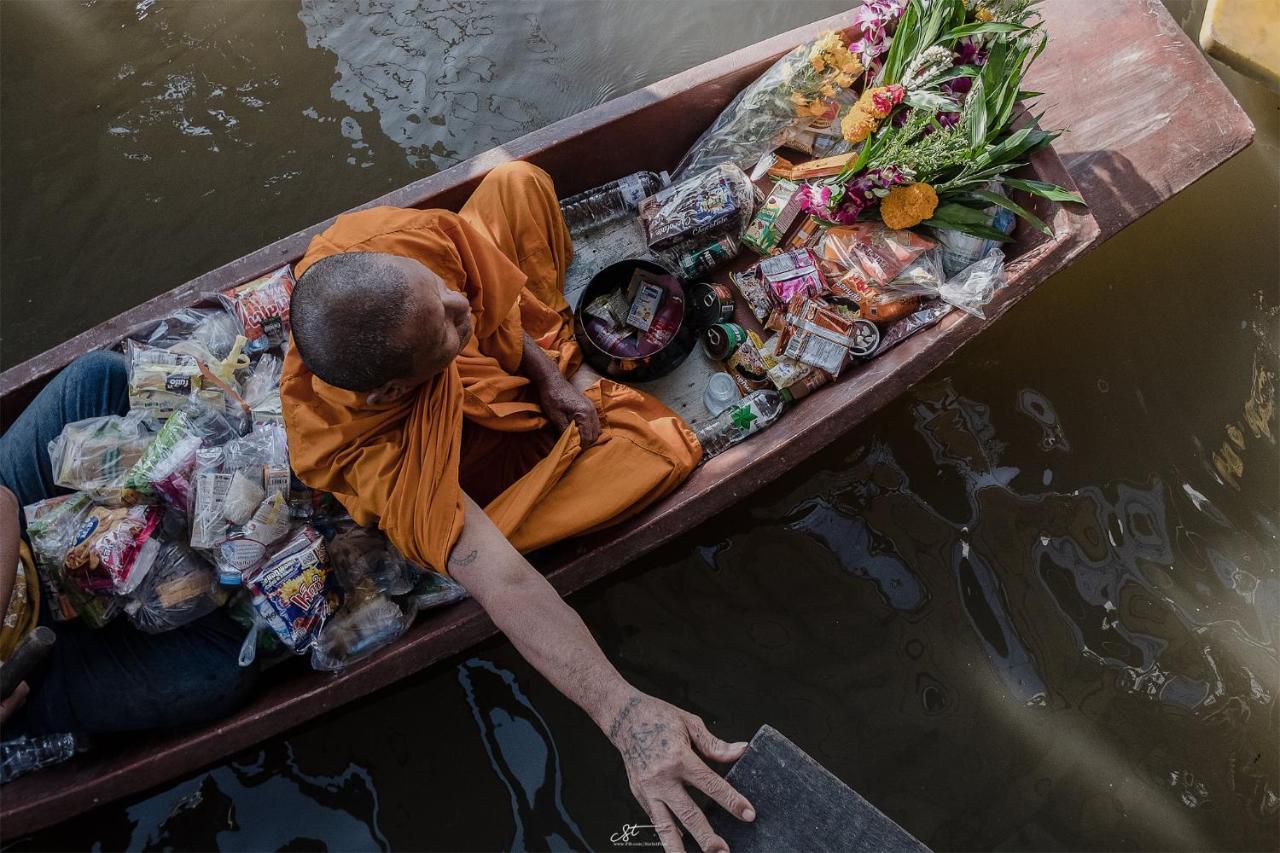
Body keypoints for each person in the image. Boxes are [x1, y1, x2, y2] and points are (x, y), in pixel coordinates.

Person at [281, 160, 755, 853]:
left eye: (443, 296)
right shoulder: (377, 454)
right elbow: (502, 582)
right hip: (471, 445)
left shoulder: (374, 241)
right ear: (388, 393)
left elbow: (483, 299)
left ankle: (556, 368)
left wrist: (544, 374)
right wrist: (625, 716)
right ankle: (558, 389)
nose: (461, 310)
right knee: (658, 452)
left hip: (481, 363)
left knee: (517, 185)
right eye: (444, 328)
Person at [0, 352, 256, 737]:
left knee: (98, 381)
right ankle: (212, 578)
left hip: (15, 535)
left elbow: (2, 506)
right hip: (29, 677)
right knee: (223, 671)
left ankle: (187, 511)